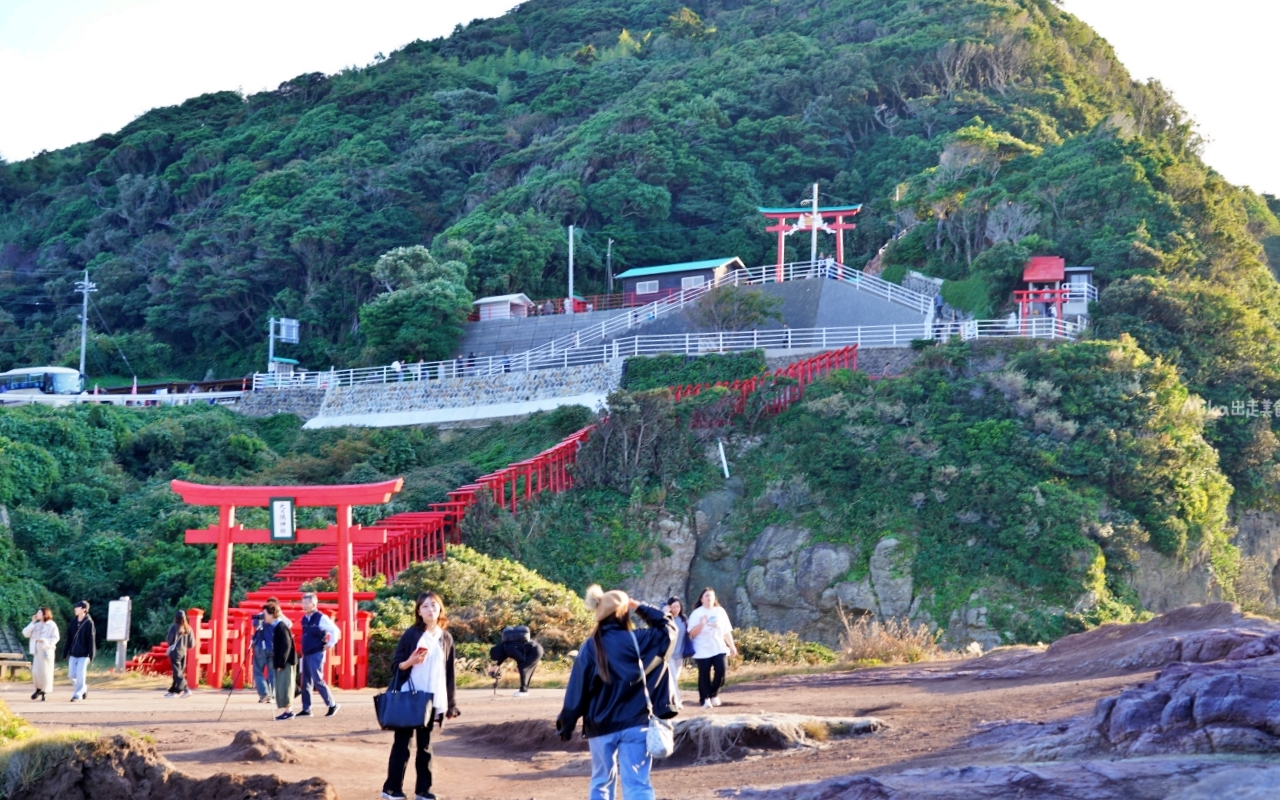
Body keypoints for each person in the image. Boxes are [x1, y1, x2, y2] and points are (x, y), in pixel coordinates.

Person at [556, 585, 677, 800]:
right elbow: (668, 628)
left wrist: (566, 725)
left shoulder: (591, 646)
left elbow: (577, 690)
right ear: (624, 612)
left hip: (600, 726)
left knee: (601, 782)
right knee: (638, 784)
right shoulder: (640, 640)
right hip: (636, 724)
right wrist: (641, 607)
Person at [381, 591, 460, 800]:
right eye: (425, 606)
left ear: (440, 609)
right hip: (409, 696)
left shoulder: (446, 637)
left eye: (434, 605)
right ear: (418, 611)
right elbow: (395, 665)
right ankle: (391, 789)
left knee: (425, 746)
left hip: (434, 697)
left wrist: (451, 704)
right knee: (402, 744)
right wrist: (410, 662)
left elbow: (449, 673)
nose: (430, 609)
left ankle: (423, 790)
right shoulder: (411, 634)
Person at [686, 587, 737, 709]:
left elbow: (726, 631)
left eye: (711, 596)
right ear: (701, 599)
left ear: (715, 598)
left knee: (721, 670)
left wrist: (732, 646)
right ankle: (705, 698)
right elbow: (691, 633)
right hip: (702, 649)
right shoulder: (697, 613)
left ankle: (714, 694)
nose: (709, 598)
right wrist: (702, 624)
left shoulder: (720, 611)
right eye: (707, 596)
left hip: (719, 647)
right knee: (704, 674)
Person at [297, 592, 341, 717]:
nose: (304, 606)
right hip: (306, 653)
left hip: (316, 652)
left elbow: (335, 630)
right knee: (305, 682)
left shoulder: (321, 617)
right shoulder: (305, 618)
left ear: (314, 604)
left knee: (317, 680)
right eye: (303, 603)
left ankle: (332, 704)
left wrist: (331, 643)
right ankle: (307, 709)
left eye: (306, 603)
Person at [264, 602, 298, 721]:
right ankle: (287, 711)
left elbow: (286, 646)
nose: (264, 616)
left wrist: (281, 663)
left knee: (285, 686)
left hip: (286, 662)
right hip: (282, 661)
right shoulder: (277, 626)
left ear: (272, 614)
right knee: (282, 685)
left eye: (266, 614)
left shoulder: (281, 627)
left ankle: (289, 711)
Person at [488, 625, 544, 697]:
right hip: (536, 649)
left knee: (523, 668)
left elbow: (520, 658)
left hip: (535, 651)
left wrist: (518, 667)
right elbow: (503, 656)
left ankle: (523, 691)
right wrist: (496, 666)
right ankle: (524, 689)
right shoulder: (505, 647)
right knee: (524, 669)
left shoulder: (509, 649)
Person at [661, 596, 693, 709]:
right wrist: (664, 612)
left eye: (678, 606)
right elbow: (659, 624)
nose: (675, 609)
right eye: (673, 607)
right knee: (673, 678)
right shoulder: (667, 618)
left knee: (675, 679)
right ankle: (677, 701)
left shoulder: (684, 618)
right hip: (669, 654)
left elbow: (690, 631)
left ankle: (668, 698)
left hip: (680, 654)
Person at [22, 608, 58, 701]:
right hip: (37, 651)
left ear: (44, 614)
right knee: (36, 671)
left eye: (39, 612)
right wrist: (32, 622)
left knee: (46, 672)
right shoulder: (36, 625)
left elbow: (56, 638)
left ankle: (44, 692)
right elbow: (25, 633)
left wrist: (45, 641)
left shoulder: (52, 625)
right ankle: (38, 689)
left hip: (46, 650)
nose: (37, 614)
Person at [63, 600, 95, 702]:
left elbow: (91, 639)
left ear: (84, 609)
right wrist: (65, 652)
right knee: (71, 675)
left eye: (78, 607)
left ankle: (78, 694)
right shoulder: (73, 622)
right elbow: (69, 638)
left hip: (84, 654)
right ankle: (83, 688)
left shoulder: (89, 623)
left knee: (80, 674)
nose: (75, 609)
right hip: (73, 653)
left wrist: (91, 655)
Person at [164, 612, 195, 698]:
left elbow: (169, 641)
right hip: (184, 652)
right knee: (178, 672)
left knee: (177, 673)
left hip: (175, 652)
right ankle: (174, 691)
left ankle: (186, 690)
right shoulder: (188, 628)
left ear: (176, 618)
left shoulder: (174, 627)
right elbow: (191, 644)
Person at [251, 610, 275, 703]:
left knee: (257, 671)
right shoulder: (276, 617)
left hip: (260, 646)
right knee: (272, 673)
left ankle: (264, 693)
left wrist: (261, 616)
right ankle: (272, 696)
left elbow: (254, 623)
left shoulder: (260, 616)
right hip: (273, 646)